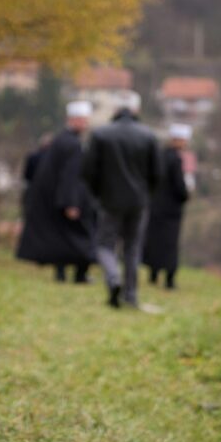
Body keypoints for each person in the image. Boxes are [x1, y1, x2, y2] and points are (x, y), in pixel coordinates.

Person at [82, 94, 162, 308]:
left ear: (115, 110)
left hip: (109, 200)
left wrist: (98, 194)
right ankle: (131, 295)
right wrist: (146, 196)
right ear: (136, 109)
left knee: (104, 245)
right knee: (133, 248)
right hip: (139, 201)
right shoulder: (148, 136)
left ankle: (113, 277)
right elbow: (157, 173)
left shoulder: (100, 134)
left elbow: (88, 171)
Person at [16, 101, 96, 283]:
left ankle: (62, 272)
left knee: (61, 237)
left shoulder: (61, 140)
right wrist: (71, 203)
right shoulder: (72, 144)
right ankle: (79, 274)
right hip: (67, 199)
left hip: (56, 197)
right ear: (73, 120)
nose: (85, 124)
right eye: (82, 120)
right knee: (78, 237)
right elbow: (70, 176)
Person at [143, 123, 192, 290]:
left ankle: (153, 274)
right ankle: (169, 280)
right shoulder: (176, 159)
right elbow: (180, 187)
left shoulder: (160, 155)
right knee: (170, 245)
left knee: (155, 242)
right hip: (171, 211)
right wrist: (186, 195)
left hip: (156, 207)